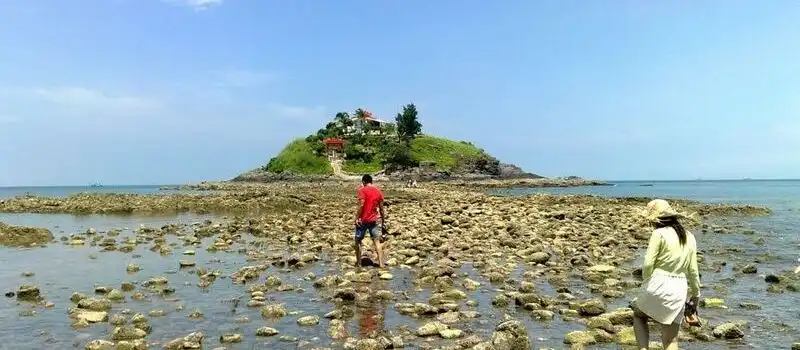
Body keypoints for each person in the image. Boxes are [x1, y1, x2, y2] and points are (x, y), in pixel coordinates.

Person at [631, 199, 701, 350]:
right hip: (679, 288)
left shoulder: (659, 233)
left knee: (639, 316)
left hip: (658, 282)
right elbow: (693, 271)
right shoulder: (689, 236)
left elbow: (648, 263)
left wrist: (647, 281)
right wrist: (696, 294)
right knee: (671, 340)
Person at [354, 174, 387, 268]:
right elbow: (381, 209)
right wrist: (383, 221)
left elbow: (361, 205)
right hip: (374, 220)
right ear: (371, 181)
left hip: (363, 220)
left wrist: (357, 217)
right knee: (377, 241)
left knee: (358, 241)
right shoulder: (378, 191)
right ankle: (381, 264)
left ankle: (359, 263)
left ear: (363, 182)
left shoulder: (362, 190)